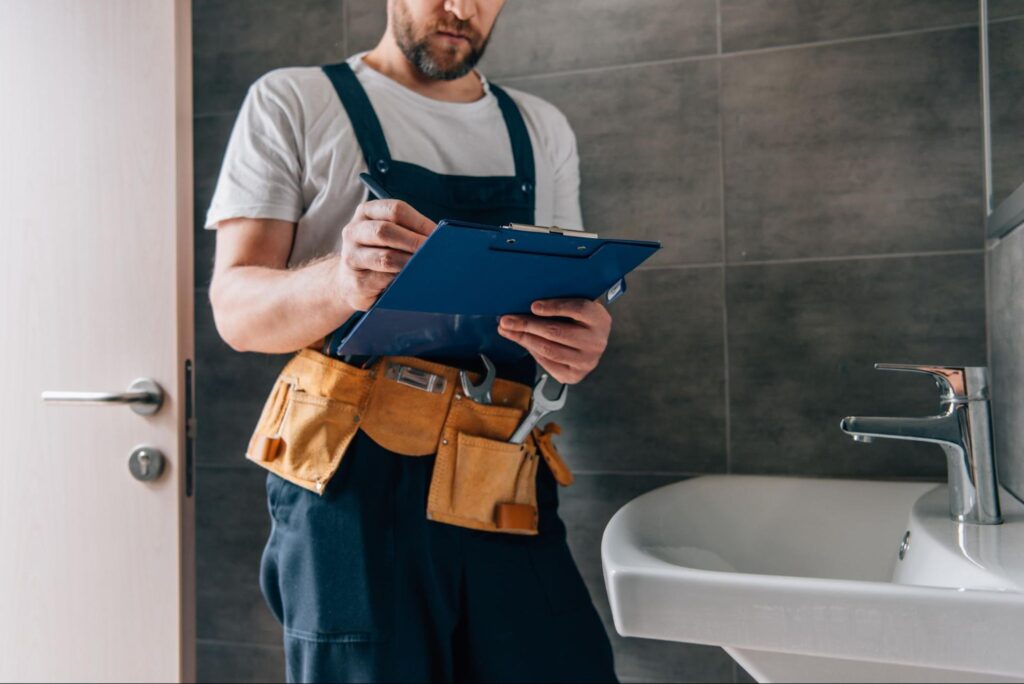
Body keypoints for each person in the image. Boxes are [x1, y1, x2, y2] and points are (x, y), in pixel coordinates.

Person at [206, 1, 616, 681]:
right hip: (349, 488)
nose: (461, 9)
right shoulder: (294, 100)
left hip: (501, 472)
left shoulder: (542, 128)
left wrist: (580, 338)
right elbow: (236, 312)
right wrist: (342, 281)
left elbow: (566, 289)